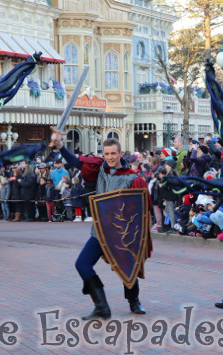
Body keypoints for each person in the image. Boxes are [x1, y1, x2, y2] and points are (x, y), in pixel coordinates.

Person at [51, 128, 150, 319]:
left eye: (114, 153)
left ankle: (134, 300)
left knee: (128, 267)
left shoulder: (133, 178)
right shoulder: (98, 170)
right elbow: (75, 161)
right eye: (107, 154)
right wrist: (60, 146)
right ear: (103, 154)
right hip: (100, 231)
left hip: (122, 233)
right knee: (82, 264)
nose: (110, 157)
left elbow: (140, 210)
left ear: (121, 154)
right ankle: (102, 307)